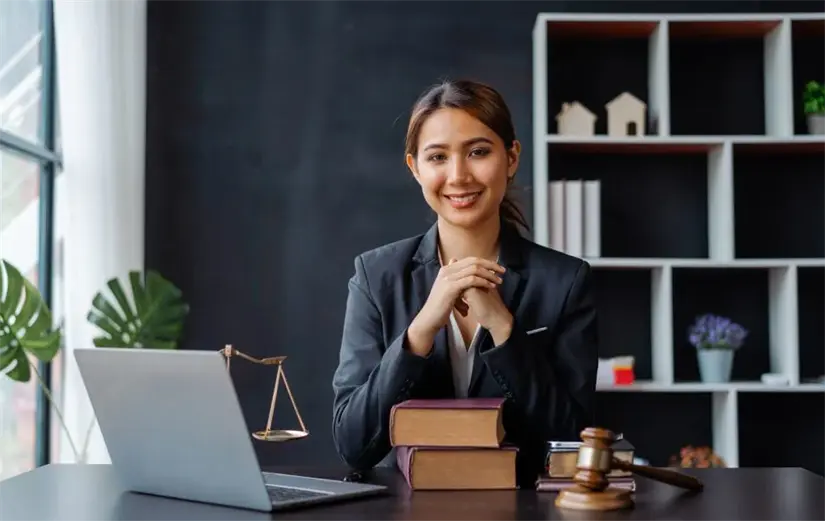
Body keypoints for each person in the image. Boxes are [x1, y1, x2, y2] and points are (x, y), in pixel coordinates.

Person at [331, 79, 598, 485]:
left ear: (511, 158)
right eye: (437, 157)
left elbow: (571, 440)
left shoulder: (566, 281)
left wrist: (505, 330)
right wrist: (420, 331)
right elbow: (353, 444)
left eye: (478, 152)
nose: (458, 175)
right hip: (406, 508)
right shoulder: (375, 276)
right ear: (414, 168)